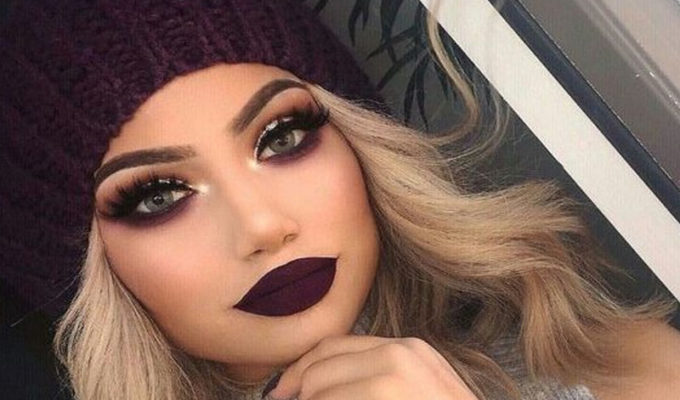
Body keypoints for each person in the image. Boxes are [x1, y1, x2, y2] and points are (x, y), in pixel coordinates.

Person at [0, 1, 678, 399]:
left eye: (283, 137)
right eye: (157, 197)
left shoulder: (611, 367)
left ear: (360, 143)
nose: (263, 225)